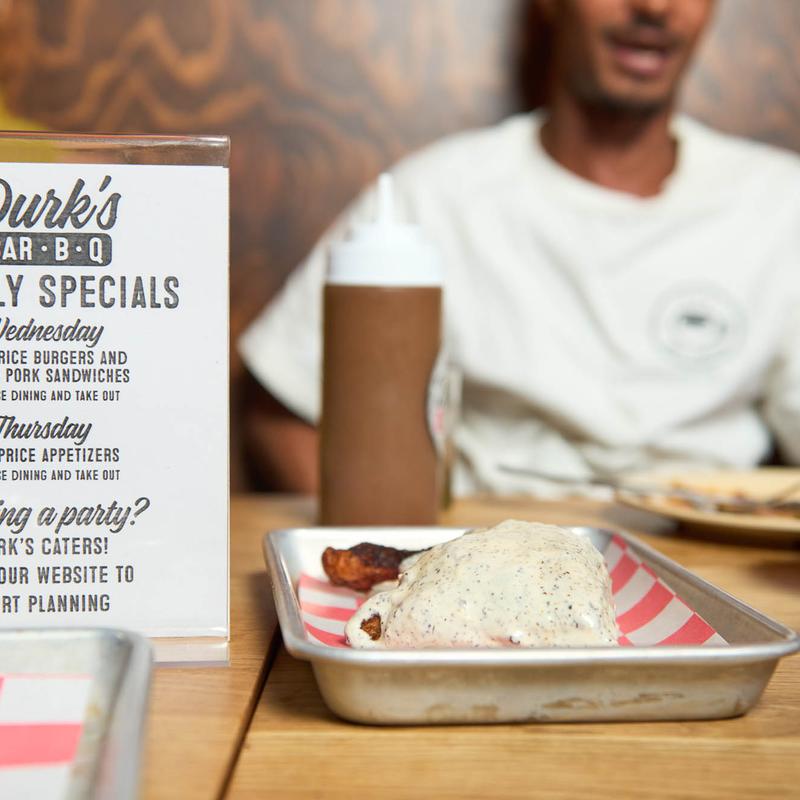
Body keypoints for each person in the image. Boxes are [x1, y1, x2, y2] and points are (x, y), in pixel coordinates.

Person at [239, 0, 800, 496]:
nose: (654, 5)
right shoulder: (434, 198)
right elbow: (282, 407)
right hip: (490, 549)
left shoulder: (778, 204)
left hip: (707, 557)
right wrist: (389, 555)